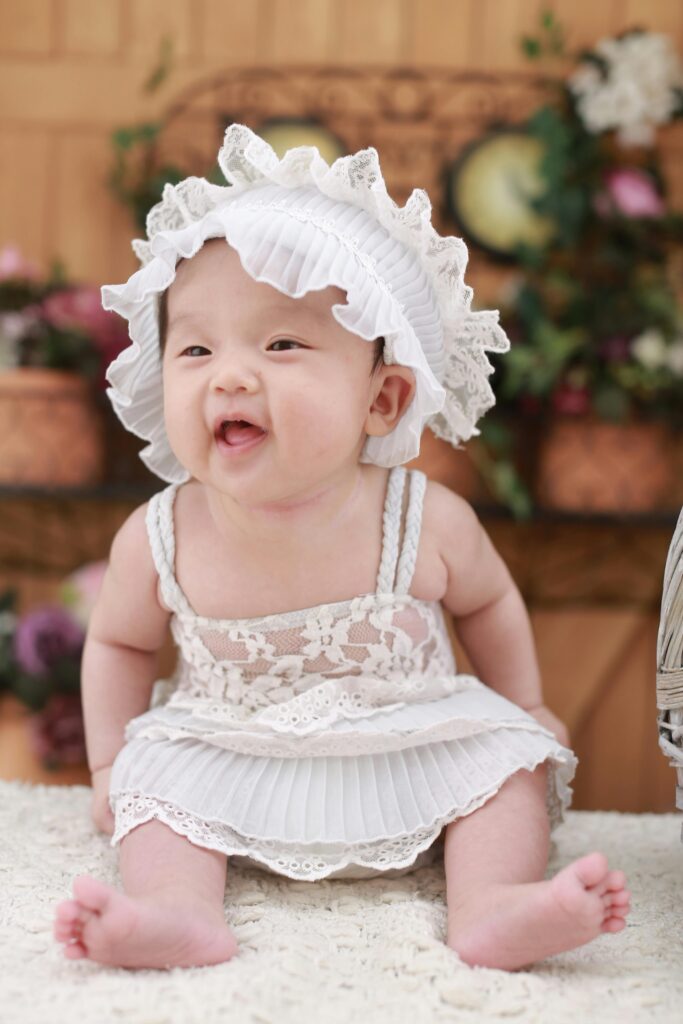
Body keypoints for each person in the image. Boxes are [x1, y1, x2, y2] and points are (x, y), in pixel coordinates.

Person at [53, 124, 630, 972]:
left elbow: (488, 601)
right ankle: (177, 911)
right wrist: (110, 765)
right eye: (197, 348)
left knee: (507, 766)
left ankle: (491, 902)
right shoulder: (161, 533)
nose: (229, 375)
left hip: (409, 743)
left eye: (281, 344)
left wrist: (526, 702)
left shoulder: (419, 518)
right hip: (231, 753)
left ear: (382, 400)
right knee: (155, 778)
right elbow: (117, 643)